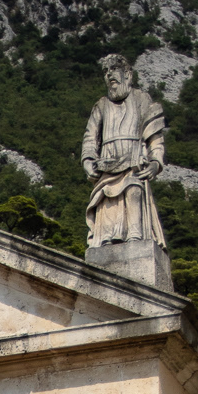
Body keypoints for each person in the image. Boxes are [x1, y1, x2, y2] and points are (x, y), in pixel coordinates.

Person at [81, 52, 166, 251]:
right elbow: (90, 137)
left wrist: (155, 162)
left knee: (133, 189)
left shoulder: (141, 99)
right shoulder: (101, 105)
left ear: (127, 74)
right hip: (107, 167)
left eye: (114, 70)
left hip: (134, 162)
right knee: (107, 203)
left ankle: (135, 237)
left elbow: (155, 139)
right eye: (105, 71)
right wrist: (87, 160)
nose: (109, 75)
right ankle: (108, 241)